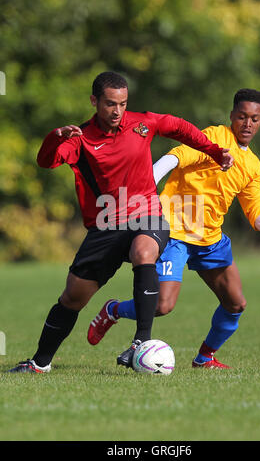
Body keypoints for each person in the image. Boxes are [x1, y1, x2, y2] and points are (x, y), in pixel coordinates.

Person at [8, 71, 233, 373]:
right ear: (94, 101)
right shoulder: (81, 140)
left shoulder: (142, 123)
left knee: (144, 253)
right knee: (73, 297)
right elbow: (45, 161)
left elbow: (179, 128)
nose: (117, 111)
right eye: (110, 104)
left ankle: (141, 343)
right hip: (106, 223)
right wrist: (54, 137)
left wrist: (215, 151)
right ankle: (40, 363)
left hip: (148, 213)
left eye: (123, 104)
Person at [87, 88, 260, 369]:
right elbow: (176, 156)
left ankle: (205, 357)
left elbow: (257, 212)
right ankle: (114, 309)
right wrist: (148, 182)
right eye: (242, 117)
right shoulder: (216, 138)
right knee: (162, 306)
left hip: (210, 238)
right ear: (232, 116)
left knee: (236, 304)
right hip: (176, 233)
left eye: (254, 119)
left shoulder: (253, 166)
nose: (248, 124)